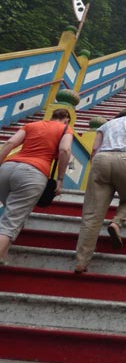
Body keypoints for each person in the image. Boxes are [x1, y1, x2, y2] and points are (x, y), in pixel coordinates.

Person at [74, 106, 126, 273]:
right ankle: (116, 222)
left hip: (102, 160)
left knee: (92, 214)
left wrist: (95, 166)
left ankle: (81, 261)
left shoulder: (106, 125)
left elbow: (94, 148)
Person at [0, 108, 73, 263]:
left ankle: (3, 255)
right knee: (12, 220)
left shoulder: (32, 125)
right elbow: (65, 150)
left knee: (12, 214)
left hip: (7, 168)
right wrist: (60, 179)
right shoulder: (65, 129)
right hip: (33, 173)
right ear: (66, 119)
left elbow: (10, 142)